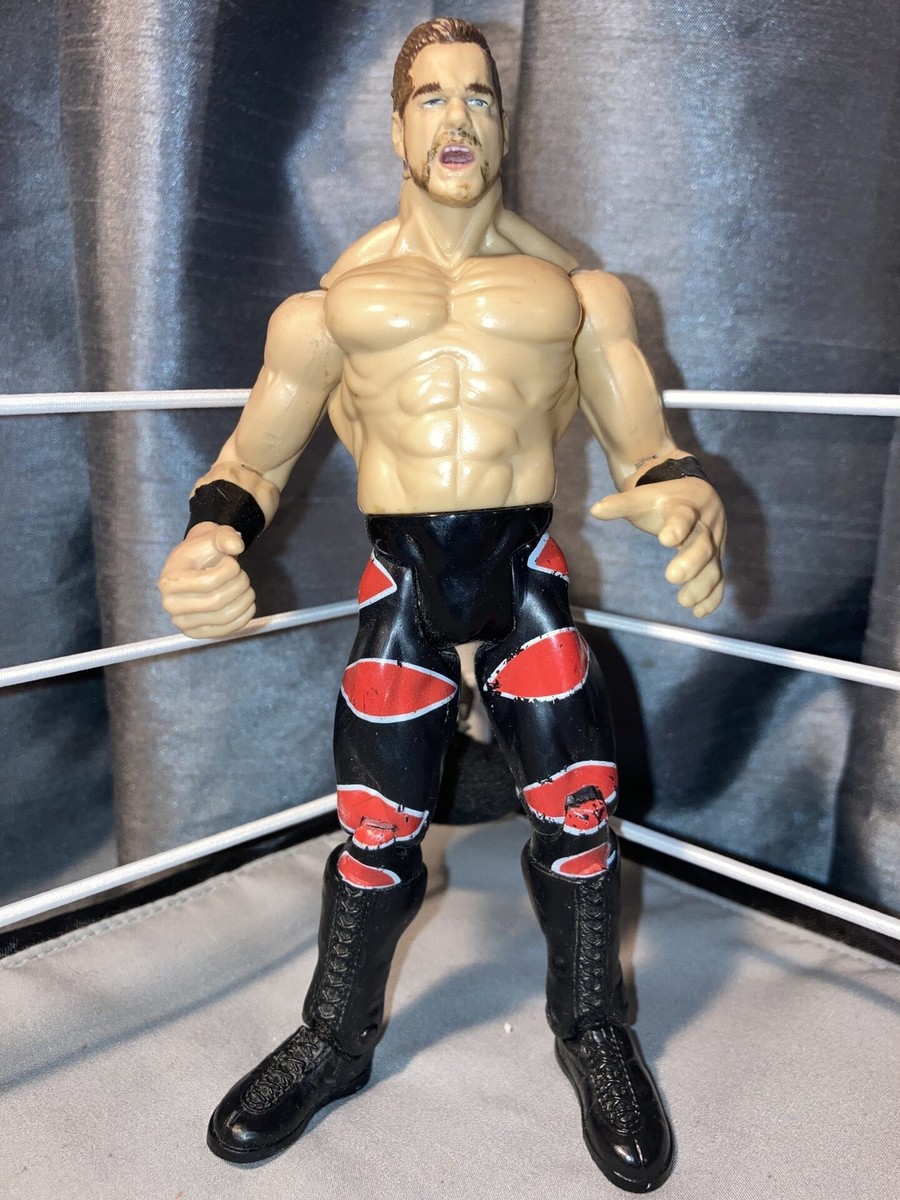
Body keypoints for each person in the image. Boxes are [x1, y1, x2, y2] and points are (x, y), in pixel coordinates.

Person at [158, 17, 725, 1192]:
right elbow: (252, 462)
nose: (458, 118)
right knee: (374, 828)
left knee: (579, 810)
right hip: (406, 579)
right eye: (432, 97)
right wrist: (210, 537)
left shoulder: (577, 297)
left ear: (505, 125)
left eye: (479, 97)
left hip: (523, 573)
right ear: (396, 127)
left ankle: (593, 1028)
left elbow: (649, 451)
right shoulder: (330, 308)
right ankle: (336, 1036)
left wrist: (682, 496)